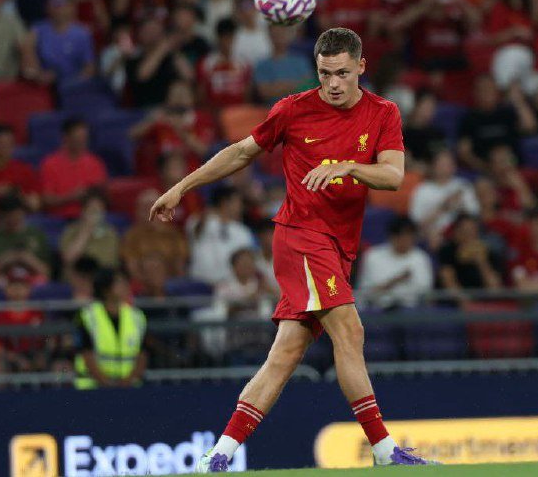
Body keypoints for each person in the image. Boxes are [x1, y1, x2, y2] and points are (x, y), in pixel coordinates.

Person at [150, 28, 437, 470]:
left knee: (284, 355)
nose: (334, 84)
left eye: (343, 73)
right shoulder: (293, 109)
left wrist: (347, 167)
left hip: (338, 246)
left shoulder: (384, 112)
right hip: (301, 236)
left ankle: (218, 455)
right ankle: (385, 451)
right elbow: (239, 153)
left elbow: (393, 176)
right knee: (350, 331)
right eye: (325, 74)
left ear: (361, 67)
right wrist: (181, 187)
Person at [74, 268, 147, 389]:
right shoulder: (88, 316)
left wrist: (128, 381)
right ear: (106, 289)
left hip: (128, 388)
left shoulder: (136, 316)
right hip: (93, 387)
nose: (125, 286)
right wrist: (106, 383)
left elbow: (142, 354)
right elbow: (86, 353)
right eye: (119, 282)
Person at [457, 76, 537, 171]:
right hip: (486, 166)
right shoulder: (470, 118)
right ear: (476, 93)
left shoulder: (507, 113)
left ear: (497, 92)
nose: (487, 93)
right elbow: (464, 152)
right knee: (498, 157)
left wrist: (518, 102)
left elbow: (530, 126)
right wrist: (485, 168)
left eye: (490, 89)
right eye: (483, 89)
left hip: (513, 162)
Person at [358, 216, 433, 309]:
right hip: (378, 310)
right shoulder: (372, 256)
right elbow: (365, 293)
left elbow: (425, 291)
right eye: (400, 236)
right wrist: (396, 280)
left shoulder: (421, 258)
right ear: (391, 236)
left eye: (409, 236)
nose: (405, 240)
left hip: (411, 310)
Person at [409, 149, 479, 248]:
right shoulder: (422, 190)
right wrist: (444, 207)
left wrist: (459, 206)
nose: (445, 167)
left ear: (454, 166)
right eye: (441, 164)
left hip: (460, 236)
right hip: (432, 235)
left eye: (448, 164)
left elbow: (474, 215)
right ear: (433, 166)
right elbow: (416, 225)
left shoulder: (462, 186)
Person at [185, 185, 254, 286]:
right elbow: (194, 230)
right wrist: (207, 215)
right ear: (225, 203)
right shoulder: (198, 222)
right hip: (199, 284)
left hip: (230, 286)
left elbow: (246, 260)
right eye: (237, 202)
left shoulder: (242, 231)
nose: (241, 207)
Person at [40, 118, 108, 219]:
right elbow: (47, 200)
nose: (83, 142)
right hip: (61, 219)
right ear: (66, 138)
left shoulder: (95, 163)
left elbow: (103, 194)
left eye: (85, 138)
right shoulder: (50, 164)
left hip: (91, 217)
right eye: (78, 138)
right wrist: (71, 197)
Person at [120, 188, 189, 284]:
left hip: (171, 285)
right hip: (144, 286)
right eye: (144, 208)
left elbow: (180, 269)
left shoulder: (174, 235)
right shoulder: (131, 237)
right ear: (137, 212)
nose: (149, 212)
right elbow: (133, 271)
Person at [0, 263, 47, 374]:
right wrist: (17, 359)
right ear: (6, 289)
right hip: (10, 358)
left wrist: (41, 356)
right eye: (13, 285)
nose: (17, 289)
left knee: (56, 366)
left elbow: (47, 339)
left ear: (29, 289)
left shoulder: (37, 313)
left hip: (34, 356)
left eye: (22, 285)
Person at [30, 0, 96, 87]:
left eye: (62, 3)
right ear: (47, 7)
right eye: (54, 3)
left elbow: (89, 67)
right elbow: (28, 55)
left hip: (73, 85)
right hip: (43, 84)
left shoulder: (82, 33)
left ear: (71, 7)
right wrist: (38, 74)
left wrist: (74, 84)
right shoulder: (37, 29)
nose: (58, 8)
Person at [0, 195, 51, 282]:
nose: (13, 219)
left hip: (33, 283)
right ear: (1, 216)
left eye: (16, 215)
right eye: (8, 216)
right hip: (2, 284)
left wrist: (28, 259)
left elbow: (48, 273)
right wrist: (3, 261)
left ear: (23, 213)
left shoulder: (37, 236)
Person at [438, 213, 503, 292]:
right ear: (456, 232)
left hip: (483, 296)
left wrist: (481, 262)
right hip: (459, 297)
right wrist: (465, 299)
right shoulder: (447, 251)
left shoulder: (488, 252)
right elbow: (448, 279)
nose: (468, 235)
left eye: (472, 231)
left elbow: (495, 288)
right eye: (464, 231)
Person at [253, 25, 315, 106]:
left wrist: (278, 86)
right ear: (269, 35)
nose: (280, 37)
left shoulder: (301, 61)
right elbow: (264, 92)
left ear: (289, 35)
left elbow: (309, 88)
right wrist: (295, 85)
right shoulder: (262, 64)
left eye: (283, 33)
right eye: (276, 33)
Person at [60, 189, 120, 271]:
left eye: (99, 210)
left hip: (100, 275)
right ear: (83, 211)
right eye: (92, 210)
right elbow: (68, 259)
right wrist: (85, 233)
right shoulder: (71, 230)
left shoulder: (110, 233)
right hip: (76, 275)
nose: (95, 214)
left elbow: (109, 263)